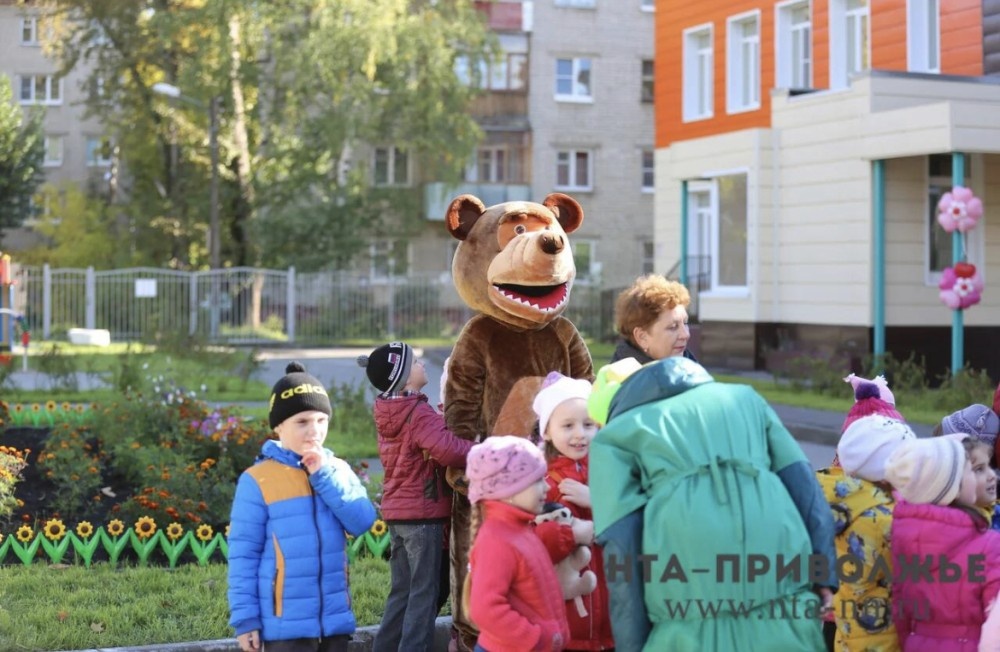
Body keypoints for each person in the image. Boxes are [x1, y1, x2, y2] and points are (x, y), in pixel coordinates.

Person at [587, 356, 836, 652]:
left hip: (687, 632)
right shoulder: (747, 400)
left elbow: (621, 547)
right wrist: (823, 575)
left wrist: (632, 645)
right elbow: (805, 489)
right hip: (785, 617)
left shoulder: (615, 438)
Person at [228, 362, 377, 652]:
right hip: (284, 630)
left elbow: (362, 521)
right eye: (302, 422)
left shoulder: (336, 470)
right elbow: (242, 556)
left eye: (322, 420)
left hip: (334, 623)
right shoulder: (257, 480)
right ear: (278, 426)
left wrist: (323, 476)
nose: (314, 431)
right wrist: (246, 621)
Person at [358, 342, 475, 652]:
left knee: (402, 591)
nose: (423, 364)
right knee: (424, 593)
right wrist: (484, 449)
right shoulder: (417, 412)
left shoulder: (389, 410)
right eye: (417, 362)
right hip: (423, 516)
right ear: (405, 376)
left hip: (398, 513)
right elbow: (448, 449)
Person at [885, 436, 1000, 650]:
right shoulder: (989, 545)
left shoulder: (904, 537)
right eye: (970, 470)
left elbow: (901, 608)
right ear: (951, 486)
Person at [817, 404, 915, 651]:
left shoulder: (832, 500)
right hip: (884, 639)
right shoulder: (884, 518)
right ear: (884, 472)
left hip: (846, 633)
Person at [531, 372, 614, 651]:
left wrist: (597, 501)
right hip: (571, 616)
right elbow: (540, 546)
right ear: (547, 431)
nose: (580, 433)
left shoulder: (607, 472)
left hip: (611, 611)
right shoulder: (543, 485)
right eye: (568, 425)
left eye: (588, 424)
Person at [465, 435, 570, 652]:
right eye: (537, 481)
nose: (547, 488)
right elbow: (485, 608)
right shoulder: (497, 540)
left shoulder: (520, 530)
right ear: (508, 490)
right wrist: (534, 639)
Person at [611, 274, 696, 364]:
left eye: (685, 323)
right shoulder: (626, 377)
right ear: (642, 337)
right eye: (673, 327)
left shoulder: (689, 368)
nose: (686, 334)